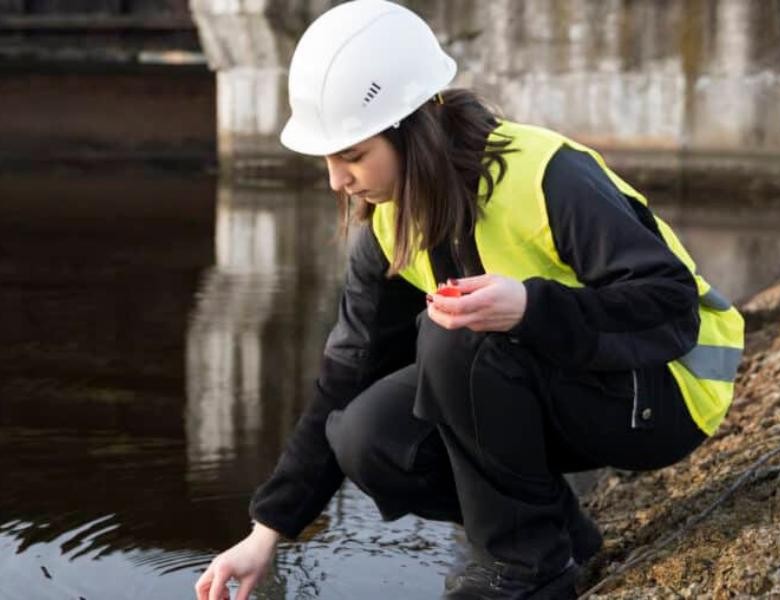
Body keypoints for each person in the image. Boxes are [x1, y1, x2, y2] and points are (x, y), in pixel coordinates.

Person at [195, 1, 745, 599]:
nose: (336, 180)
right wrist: (267, 529)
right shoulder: (389, 222)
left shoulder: (546, 176)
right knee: (365, 435)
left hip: (666, 392)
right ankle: (557, 536)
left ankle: (524, 569)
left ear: (414, 127)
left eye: (352, 155)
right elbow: (344, 377)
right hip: (574, 380)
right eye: (328, 158)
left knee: (453, 334)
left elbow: (670, 305)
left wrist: (533, 308)